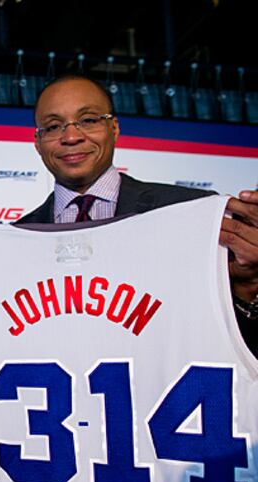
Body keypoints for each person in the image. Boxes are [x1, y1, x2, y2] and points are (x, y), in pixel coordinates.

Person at [18, 74, 258, 342]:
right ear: (37, 142)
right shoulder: (14, 240)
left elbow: (233, 345)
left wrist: (247, 287)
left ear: (115, 128)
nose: (71, 136)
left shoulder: (194, 211)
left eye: (88, 120)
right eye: (53, 127)